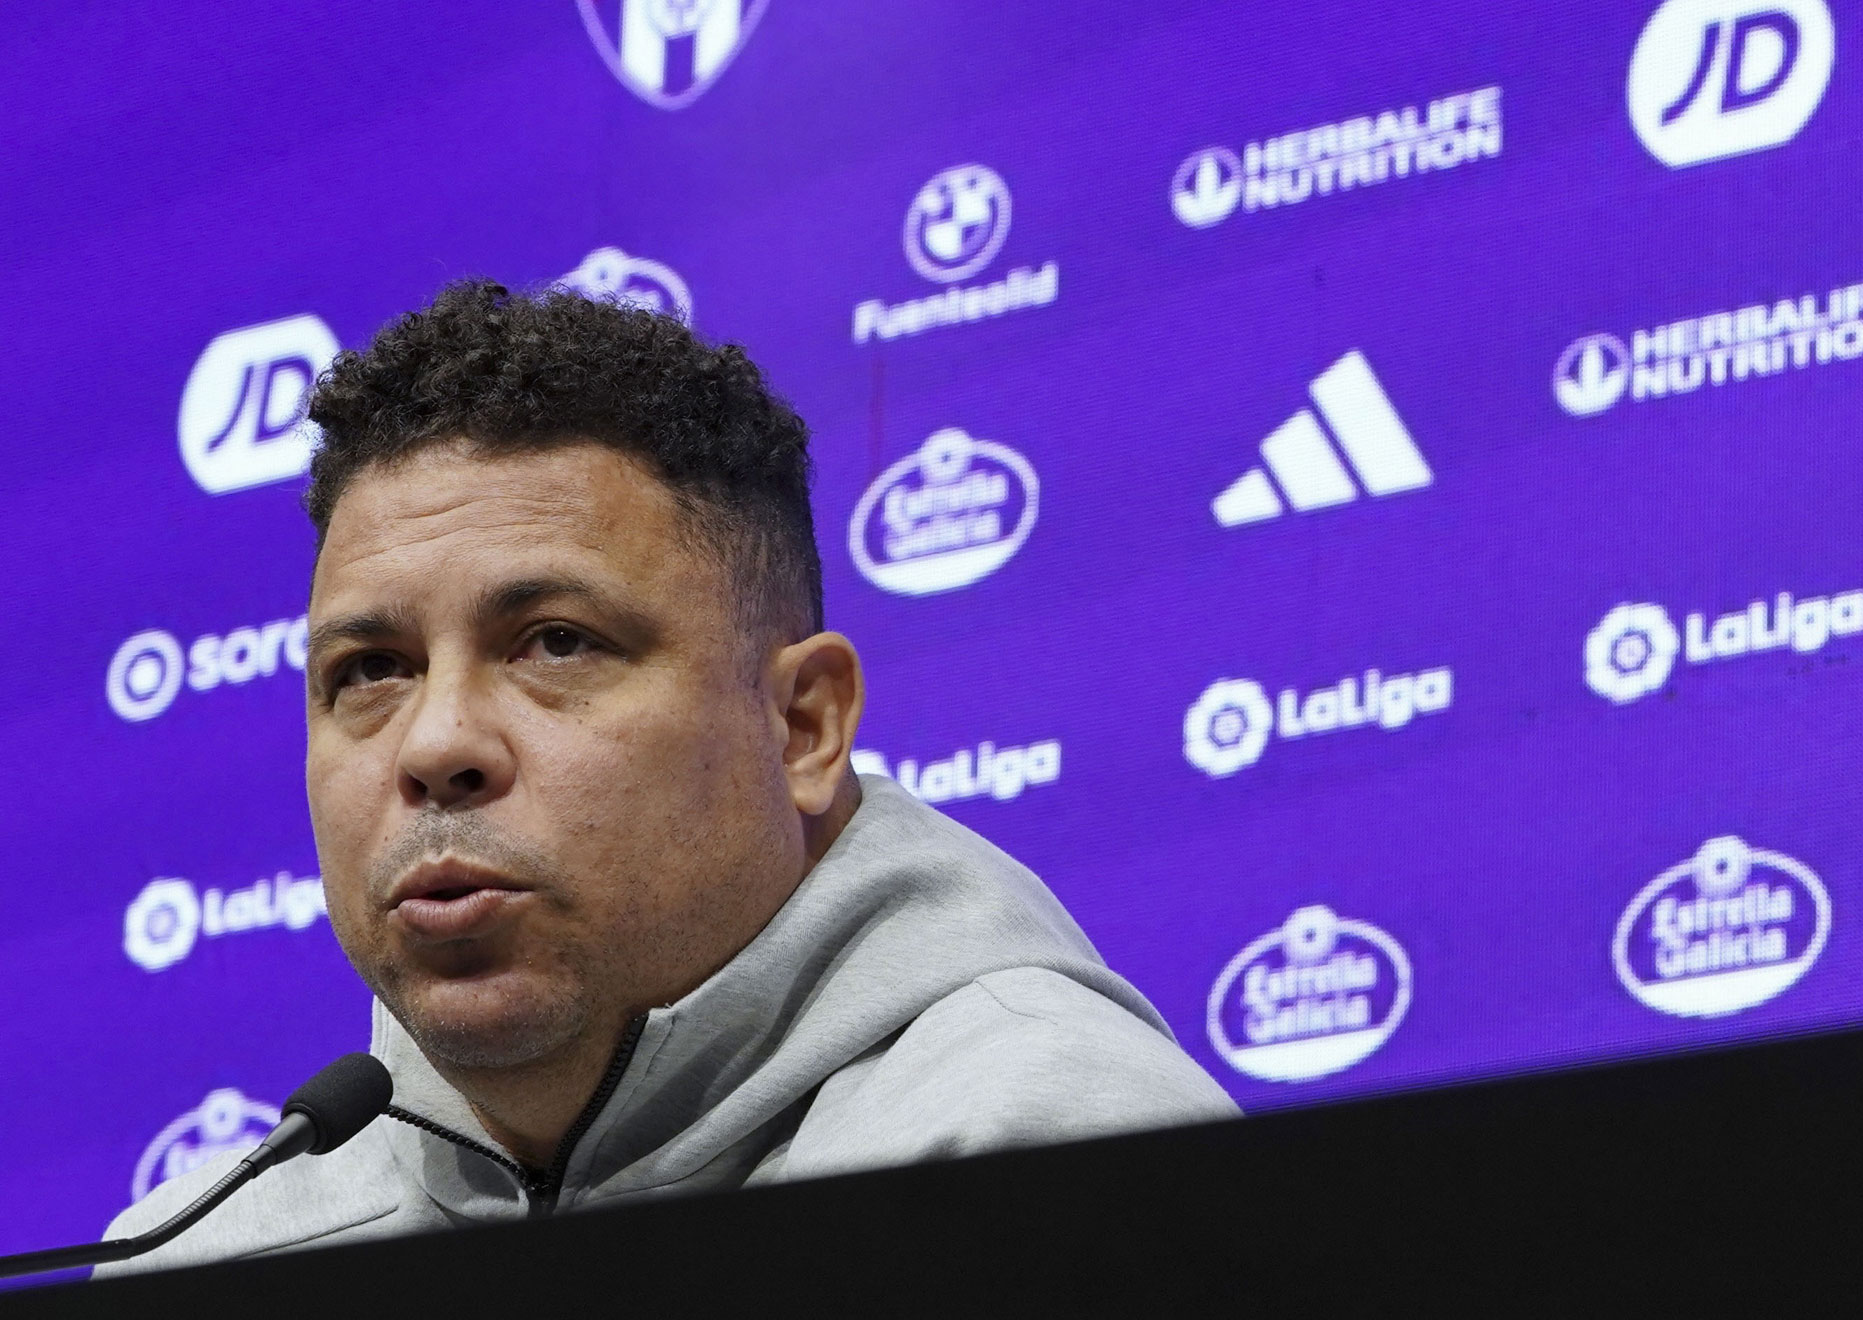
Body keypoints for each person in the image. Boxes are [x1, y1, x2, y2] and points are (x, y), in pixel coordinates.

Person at [100, 280, 1235, 1273]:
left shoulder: (1054, 1157)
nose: (437, 744)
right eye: (373, 670)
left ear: (801, 726)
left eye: (554, 643)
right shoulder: (210, 1253)